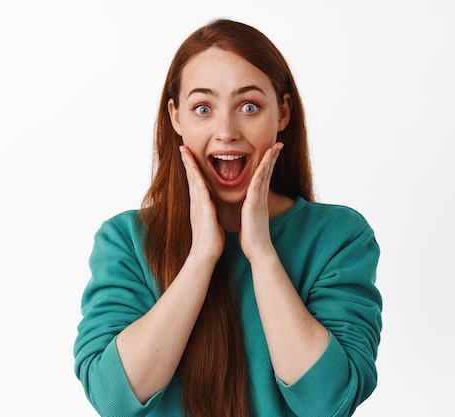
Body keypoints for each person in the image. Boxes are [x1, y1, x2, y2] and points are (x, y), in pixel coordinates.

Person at [73, 18, 382, 417]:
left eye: (249, 106)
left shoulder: (339, 237)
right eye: (203, 108)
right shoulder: (126, 240)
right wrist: (202, 257)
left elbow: (328, 402)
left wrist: (262, 254)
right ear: (176, 117)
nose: (226, 131)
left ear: (283, 112)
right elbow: (112, 398)